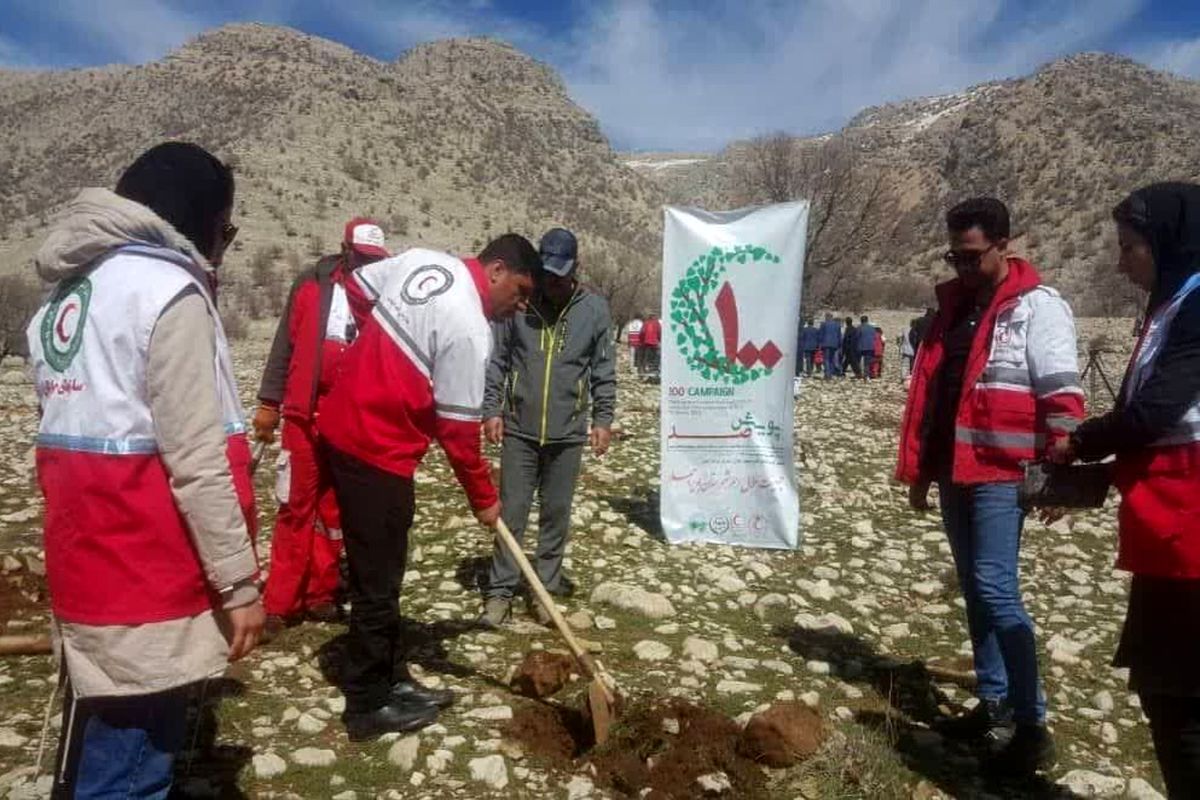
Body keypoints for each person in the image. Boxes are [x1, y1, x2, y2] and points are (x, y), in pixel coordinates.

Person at [28, 142, 263, 798]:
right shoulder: (168, 293)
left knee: (93, 741)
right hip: (146, 576)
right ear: (199, 220)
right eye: (227, 229)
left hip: (86, 568)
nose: (225, 244)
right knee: (133, 765)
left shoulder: (62, 299)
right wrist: (239, 583)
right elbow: (196, 459)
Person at [317, 234, 538, 741]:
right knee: (378, 580)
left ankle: (392, 678)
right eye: (521, 291)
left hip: (345, 428)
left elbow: (355, 286)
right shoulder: (470, 329)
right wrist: (485, 500)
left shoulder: (423, 261)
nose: (520, 304)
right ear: (497, 270)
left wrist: (367, 352)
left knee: (384, 568)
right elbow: (459, 435)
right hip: (374, 448)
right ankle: (367, 704)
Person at [896, 197, 1083, 776]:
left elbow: (1060, 390)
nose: (962, 267)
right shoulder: (952, 308)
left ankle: (1031, 724)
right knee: (976, 591)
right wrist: (922, 472)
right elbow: (935, 394)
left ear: (1004, 244)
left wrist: (1062, 477)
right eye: (954, 256)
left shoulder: (1038, 308)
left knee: (996, 588)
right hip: (956, 468)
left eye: (972, 256)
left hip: (1003, 471)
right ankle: (994, 700)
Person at [1049, 183, 1200, 797]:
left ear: (1166, 243)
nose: (1120, 262)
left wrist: (1079, 443)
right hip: (1166, 526)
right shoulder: (1171, 307)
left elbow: (1158, 411)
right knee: (1169, 694)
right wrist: (1095, 479)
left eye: (1130, 247)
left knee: (1180, 700)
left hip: (1187, 538)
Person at [253, 219, 391, 639]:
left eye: (373, 260)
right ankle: (280, 603)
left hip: (347, 419)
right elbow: (285, 345)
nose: (366, 265)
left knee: (333, 510)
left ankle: (321, 592)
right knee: (295, 504)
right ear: (344, 249)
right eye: (361, 257)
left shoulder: (381, 296)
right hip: (302, 414)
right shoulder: (310, 286)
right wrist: (268, 403)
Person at [478, 228, 616, 626]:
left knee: (556, 514)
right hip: (519, 430)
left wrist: (602, 419)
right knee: (512, 513)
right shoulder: (520, 304)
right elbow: (498, 361)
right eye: (547, 273)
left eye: (560, 274)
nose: (552, 282)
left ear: (576, 268)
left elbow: (603, 370)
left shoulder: (594, 310)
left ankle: (544, 591)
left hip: (568, 433)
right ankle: (500, 593)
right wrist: (492, 410)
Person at [818, 312, 841, 379]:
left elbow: (821, 335)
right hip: (834, 344)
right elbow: (839, 335)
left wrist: (819, 344)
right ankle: (831, 372)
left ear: (827, 317)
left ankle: (827, 374)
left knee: (826, 359)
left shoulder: (823, 324)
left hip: (825, 344)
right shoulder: (837, 325)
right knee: (832, 359)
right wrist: (839, 344)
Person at [856, 315, 877, 379]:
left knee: (859, 361)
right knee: (867, 362)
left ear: (861, 321)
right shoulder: (872, 328)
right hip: (870, 346)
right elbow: (874, 337)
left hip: (861, 346)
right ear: (867, 320)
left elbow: (856, 337)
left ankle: (860, 373)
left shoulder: (859, 327)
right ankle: (866, 374)